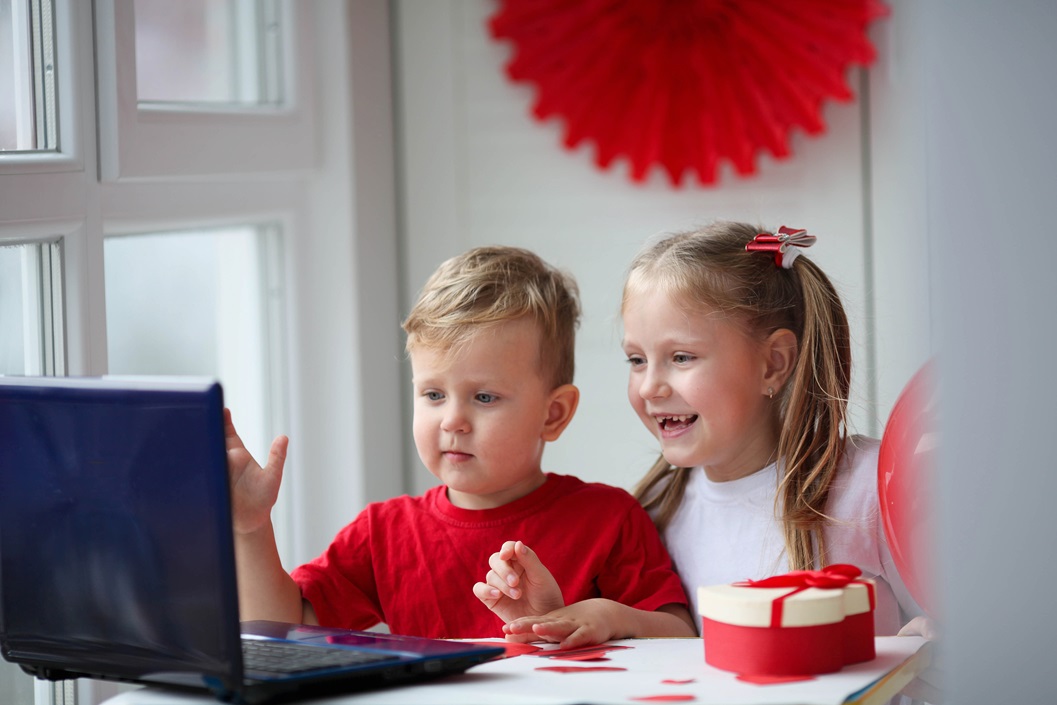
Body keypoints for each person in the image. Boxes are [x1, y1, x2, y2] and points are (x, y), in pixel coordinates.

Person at [480, 221, 927, 647]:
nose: (650, 386)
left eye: (680, 357)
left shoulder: (871, 489)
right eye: (636, 360)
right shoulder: (656, 513)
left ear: (772, 363)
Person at [225, 245, 695, 639]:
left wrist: (611, 617)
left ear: (553, 414)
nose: (453, 420)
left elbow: (680, 634)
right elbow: (278, 630)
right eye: (433, 394)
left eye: (484, 397)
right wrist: (251, 530)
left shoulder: (608, 519)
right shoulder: (382, 534)